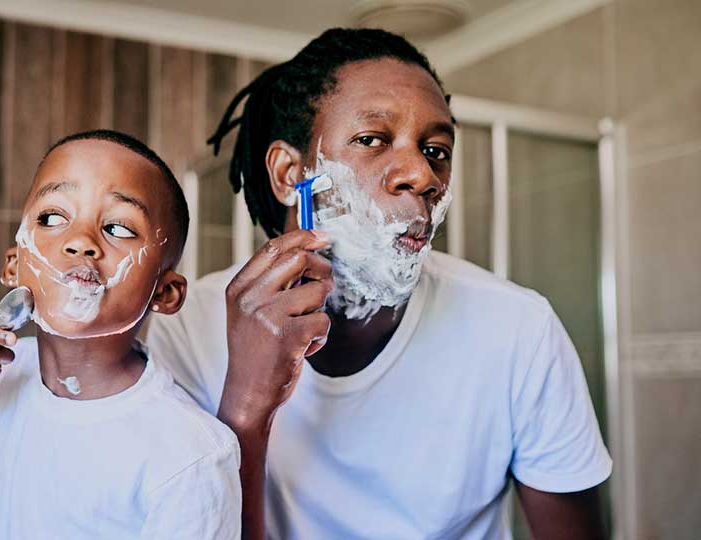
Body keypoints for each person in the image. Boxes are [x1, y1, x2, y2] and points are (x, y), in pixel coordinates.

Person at [145, 28, 611, 540]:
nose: (422, 175)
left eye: (436, 150)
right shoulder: (190, 327)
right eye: (372, 140)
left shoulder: (518, 328)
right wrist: (248, 403)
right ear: (288, 174)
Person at [0, 130, 241, 540]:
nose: (80, 241)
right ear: (14, 267)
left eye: (118, 227)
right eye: (52, 218)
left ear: (165, 293)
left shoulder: (191, 457)